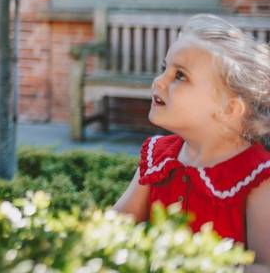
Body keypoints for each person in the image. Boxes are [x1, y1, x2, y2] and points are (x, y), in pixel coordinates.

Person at [113, 14, 270, 270]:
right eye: (164, 69)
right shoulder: (158, 158)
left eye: (180, 76)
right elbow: (117, 226)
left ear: (229, 109)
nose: (159, 81)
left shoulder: (258, 178)